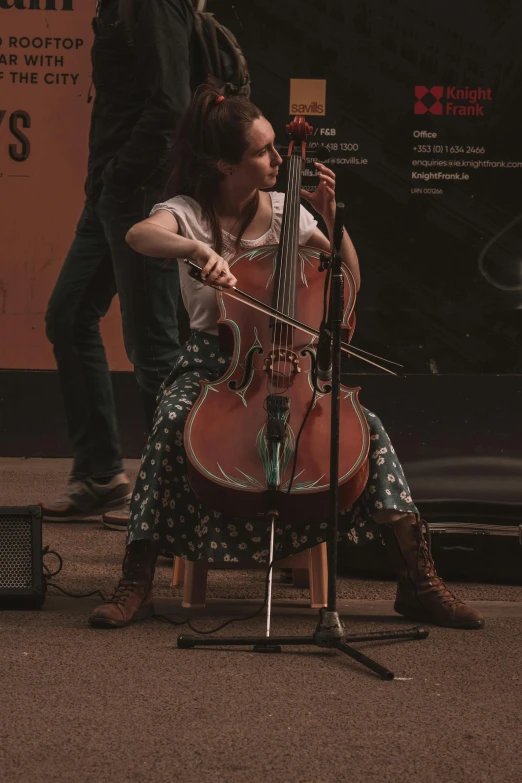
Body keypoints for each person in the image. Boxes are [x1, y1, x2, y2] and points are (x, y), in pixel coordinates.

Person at [88, 85, 485, 631]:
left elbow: (346, 282)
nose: (279, 159)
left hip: (292, 364)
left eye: (277, 147)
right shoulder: (187, 212)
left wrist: (330, 218)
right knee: (169, 422)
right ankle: (135, 580)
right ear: (225, 164)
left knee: (365, 432)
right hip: (214, 366)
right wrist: (197, 250)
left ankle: (418, 582)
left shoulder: (285, 210)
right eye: (262, 151)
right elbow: (140, 235)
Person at [41, 0, 193, 522]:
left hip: (137, 191)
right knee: (68, 315)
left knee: (153, 348)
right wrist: (106, 183)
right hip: (110, 192)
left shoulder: (153, 4)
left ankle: (168, 495)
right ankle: (101, 473)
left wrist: (122, 176)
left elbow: (171, 104)